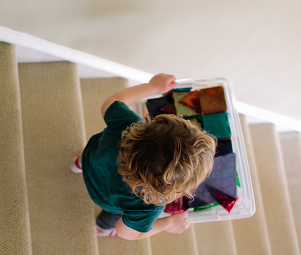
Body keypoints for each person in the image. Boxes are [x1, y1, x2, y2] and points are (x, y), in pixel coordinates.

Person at [71, 73, 216, 239]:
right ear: (173, 189)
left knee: (90, 157)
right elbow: (125, 232)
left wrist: (152, 87)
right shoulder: (149, 206)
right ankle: (102, 229)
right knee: (110, 219)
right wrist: (169, 223)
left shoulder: (128, 125)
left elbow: (109, 103)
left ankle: (78, 163)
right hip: (107, 201)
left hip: (93, 159)